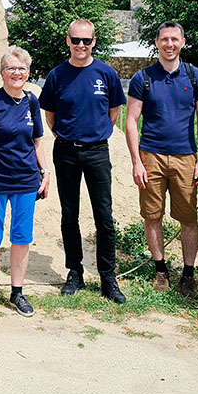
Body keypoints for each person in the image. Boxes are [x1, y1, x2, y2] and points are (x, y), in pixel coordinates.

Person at [39, 19, 127, 303]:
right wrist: (67, 136)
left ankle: (107, 277)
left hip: (97, 152)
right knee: (69, 215)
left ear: (93, 42)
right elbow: (50, 115)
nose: (80, 45)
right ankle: (74, 271)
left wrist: (95, 135)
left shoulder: (106, 73)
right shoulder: (57, 75)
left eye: (86, 41)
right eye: (75, 40)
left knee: (104, 215)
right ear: (68, 41)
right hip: (66, 151)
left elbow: (113, 112)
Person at [125, 21, 198, 294]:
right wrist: (136, 162)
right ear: (157, 42)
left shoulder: (196, 77)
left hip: (186, 157)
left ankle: (188, 274)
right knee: (152, 215)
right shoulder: (143, 78)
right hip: (151, 155)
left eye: (174, 39)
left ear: (183, 42)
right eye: (164, 39)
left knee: (188, 218)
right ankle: (160, 271)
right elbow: (131, 121)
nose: (169, 44)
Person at [0, 46, 50, 317]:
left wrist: (45, 172)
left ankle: (17, 292)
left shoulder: (32, 101)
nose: (16, 73)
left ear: (28, 73)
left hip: (25, 181)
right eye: (11, 68)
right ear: (2, 73)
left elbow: (37, 141)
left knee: (22, 237)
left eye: (21, 68)